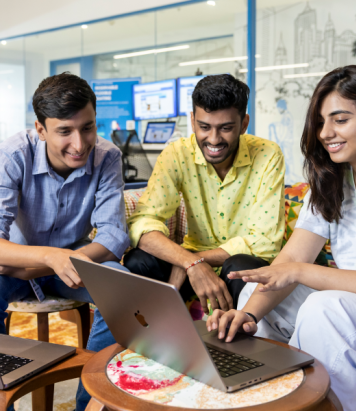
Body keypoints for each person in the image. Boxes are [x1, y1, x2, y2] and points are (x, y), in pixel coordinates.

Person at [207, 65, 356, 411]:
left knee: (324, 307)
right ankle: (258, 398)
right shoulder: (332, 182)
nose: (325, 132)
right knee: (260, 294)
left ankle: (315, 405)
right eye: (320, 121)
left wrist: (302, 272)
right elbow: (287, 263)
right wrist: (249, 316)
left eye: (340, 119)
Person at [0, 73, 130, 411]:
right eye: (64, 131)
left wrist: (65, 260)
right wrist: (47, 258)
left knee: (121, 287)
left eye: (87, 127)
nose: (80, 143)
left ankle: (90, 403)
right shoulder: (14, 154)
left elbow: (114, 232)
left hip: (74, 259)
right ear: (40, 129)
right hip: (16, 266)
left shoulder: (108, 156)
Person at [125, 74, 285, 314]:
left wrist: (197, 259)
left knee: (239, 265)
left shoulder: (267, 154)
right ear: (192, 121)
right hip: (190, 266)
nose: (213, 139)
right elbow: (142, 222)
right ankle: (152, 335)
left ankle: (228, 343)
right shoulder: (176, 154)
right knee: (139, 260)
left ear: (244, 124)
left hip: (235, 265)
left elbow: (266, 243)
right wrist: (189, 262)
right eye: (204, 127)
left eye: (226, 128)